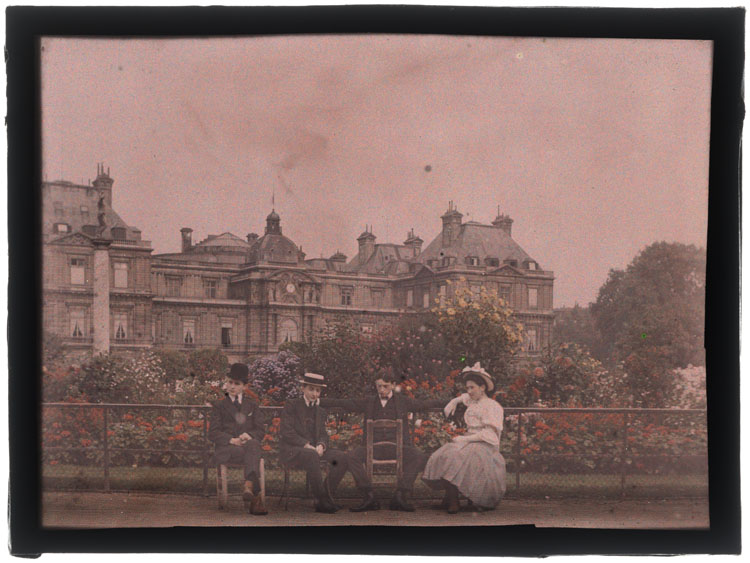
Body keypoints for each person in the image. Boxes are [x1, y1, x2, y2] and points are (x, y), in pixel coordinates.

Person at [322, 369, 444, 511]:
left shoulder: (402, 401)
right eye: (379, 386)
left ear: (393, 385)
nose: (381, 389)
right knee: (351, 456)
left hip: (398, 448)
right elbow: (345, 403)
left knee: (418, 456)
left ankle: (400, 496)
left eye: (385, 386)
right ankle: (369, 496)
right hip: (373, 448)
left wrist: (454, 401)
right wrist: (318, 400)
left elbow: (425, 404)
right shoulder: (369, 402)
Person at [279, 373, 378, 513]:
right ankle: (321, 501)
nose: (314, 394)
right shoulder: (292, 405)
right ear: (303, 388)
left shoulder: (320, 411)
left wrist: (321, 445)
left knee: (342, 457)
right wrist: (306, 445)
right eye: (311, 389)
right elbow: (286, 432)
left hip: (313, 450)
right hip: (293, 450)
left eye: (318, 391)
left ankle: (326, 495)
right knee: (311, 455)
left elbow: (323, 434)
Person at [422, 362, 507, 513]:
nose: (469, 391)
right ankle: (450, 497)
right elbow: (464, 398)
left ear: (483, 387)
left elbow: (490, 435)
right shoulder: (473, 401)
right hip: (469, 440)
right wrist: (454, 401)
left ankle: (454, 500)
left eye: (472, 387)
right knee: (445, 454)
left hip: (484, 444)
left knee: (459, 457)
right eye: (467, 388)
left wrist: (465, 439)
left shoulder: (492, 406)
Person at [208, 363, 268, 515]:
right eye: (230, 382)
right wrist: (232, 440)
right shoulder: (219, 406)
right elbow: (213, 433)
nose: (232, 387)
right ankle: (253, 496)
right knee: (254, 450)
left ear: (244, 386)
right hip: (227, 449)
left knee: (253, 443)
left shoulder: (252, 405)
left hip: (247, 448)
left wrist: (249, 435)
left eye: (237, 384)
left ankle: (249, 487)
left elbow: (260, 430)